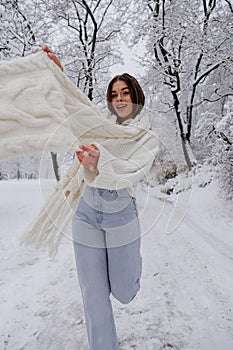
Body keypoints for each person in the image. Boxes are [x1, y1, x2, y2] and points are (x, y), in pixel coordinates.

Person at [39, 45, 158, 350]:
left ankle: (129, 269)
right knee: (93, 295)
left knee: (123, 291)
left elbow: (132, 169)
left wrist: (99, 163)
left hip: (120, 212)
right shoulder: (99, 125)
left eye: (125, 93)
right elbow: (75, 111)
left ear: (136, 97)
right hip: (87, 210)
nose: (119, 99)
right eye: (114, 94)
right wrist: (58, 74)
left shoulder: (146, 136)